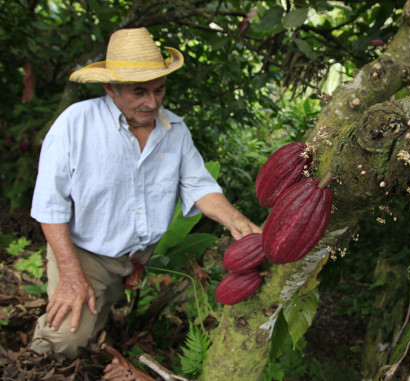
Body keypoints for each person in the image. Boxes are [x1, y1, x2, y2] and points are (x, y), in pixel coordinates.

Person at [29, 27, 261, 359]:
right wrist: (69, 274)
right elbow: (50, 206)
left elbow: (199, 186)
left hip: (135, 258)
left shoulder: (175, 132)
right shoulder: (75, 125)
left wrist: (236, 220)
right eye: (139, 92)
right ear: (111, 88)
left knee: (96, 331)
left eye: (159, 90)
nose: (152, 102)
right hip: (83, 253)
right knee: (64, 342)